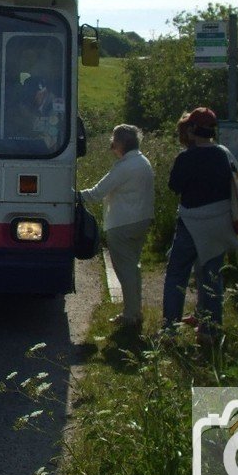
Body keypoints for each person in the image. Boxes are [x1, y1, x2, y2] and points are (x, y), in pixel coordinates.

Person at [162, 107, 238, 347]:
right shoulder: (224, 154)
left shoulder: (187, 157)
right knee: (211, 278)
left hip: (190, 224)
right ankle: (209, 330)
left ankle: (170, 331)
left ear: (193, 129)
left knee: (176, 276)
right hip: (219, 224)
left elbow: (174, 186)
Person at [79, 125, 155, 331]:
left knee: (125, 269)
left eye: (113, 141)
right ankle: (134, 311)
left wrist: (74, 195)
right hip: (141, 220)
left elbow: (97, 192)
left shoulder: (125, 166)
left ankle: (131, 316)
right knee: (133, 267)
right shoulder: (142, 162)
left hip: (123, 223)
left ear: (120, 143)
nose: (111, 145)